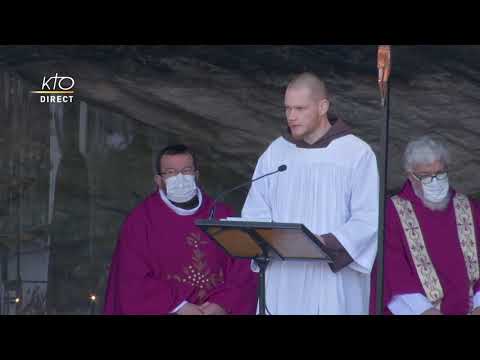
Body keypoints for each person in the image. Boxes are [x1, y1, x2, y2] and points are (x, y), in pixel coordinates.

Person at [241, 72, 379, 314]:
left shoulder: (356, 153)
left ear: (322, 106)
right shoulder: (276, 152)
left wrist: (326, 242)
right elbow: (256, 208)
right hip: (283, 276)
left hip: (329, 276)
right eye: (287, 109)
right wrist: (270, 239)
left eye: (300, 108)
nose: (291, 117)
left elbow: (367, 218)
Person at [103, 144, 258, 315]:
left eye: (186, 171)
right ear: (158, 180)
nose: (180, 178)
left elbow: (245, 267)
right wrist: (178, 306)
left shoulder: (221, 214)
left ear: (197, 175)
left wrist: (223, 303)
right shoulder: (140, 221)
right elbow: (131, 278)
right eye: (170, 172)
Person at [370, 135, 480, 315]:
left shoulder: (467, 207)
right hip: (418, 308)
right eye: (425, 176)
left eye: (440, 173)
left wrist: (478, 304)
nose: (435, 181)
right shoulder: (393, 211)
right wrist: (423, 309)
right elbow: (392, 267)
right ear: (411, 176)